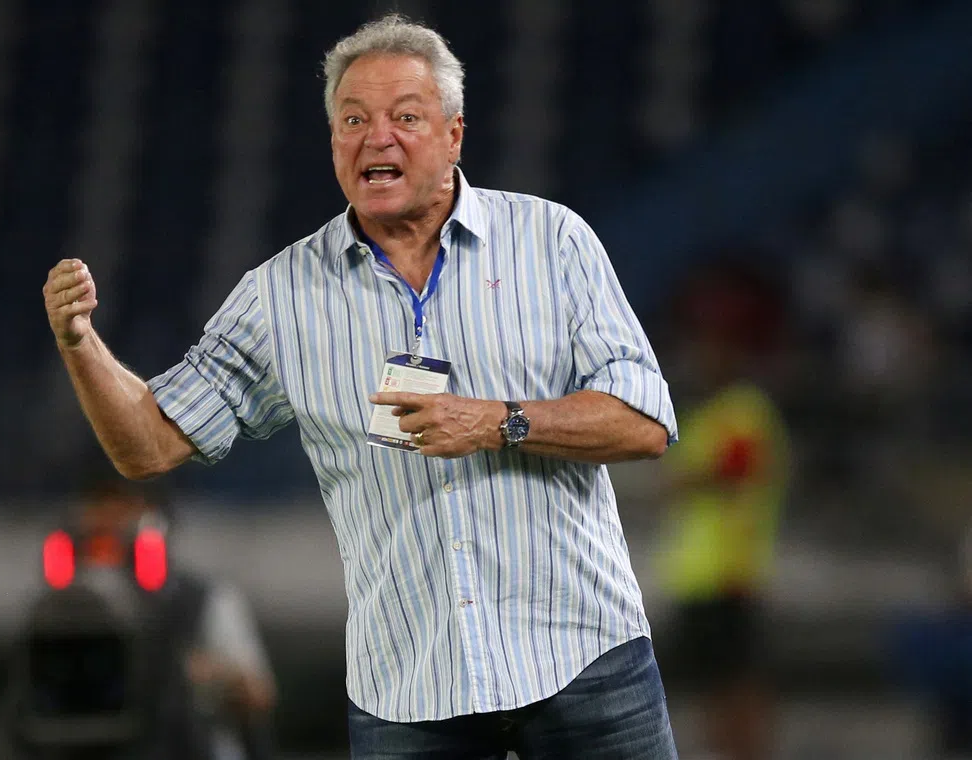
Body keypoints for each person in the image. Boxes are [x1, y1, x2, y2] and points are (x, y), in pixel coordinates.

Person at [43, 13, 679, 759]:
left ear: (454, 136)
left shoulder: (553, 242)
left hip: (584, 656)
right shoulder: (279, 296)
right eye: (353, 119)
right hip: (409, 690)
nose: (377, 136)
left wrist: (500, 421)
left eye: (405, 117)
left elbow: (646, 421)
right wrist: (80, 343)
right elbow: (147, 444)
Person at [655, 263, 790, 760]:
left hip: (731, 571)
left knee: (738, 684)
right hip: (699, 574)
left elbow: (728, 473)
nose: (701, 357)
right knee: (718, 686)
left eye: (712, 346)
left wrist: (678, 478)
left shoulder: (743, 411)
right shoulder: (713, 414)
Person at [73, 477, 279, 760]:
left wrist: (203, 673)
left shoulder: (204, 601)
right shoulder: (71, 608)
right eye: (102, 511)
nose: (113, 524)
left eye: (124, 509)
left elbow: (259, 694)